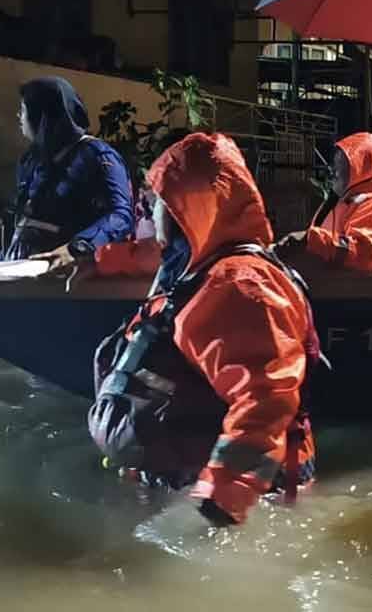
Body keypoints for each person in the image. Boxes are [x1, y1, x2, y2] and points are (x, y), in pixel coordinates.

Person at [81, 133, 320, 527]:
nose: (149, 210)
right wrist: (98, 259)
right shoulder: (197, 266)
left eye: (157, 201)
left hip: (233, 503)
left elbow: (266, 400)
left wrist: (221, 502)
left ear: (183, 210)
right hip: (180, 484)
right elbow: (151, 255)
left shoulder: (238, 286)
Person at [1, 76, 134, 267]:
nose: (18, 117)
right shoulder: (31, 160)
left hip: (71, 279)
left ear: (43, 118)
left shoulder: (97, 156)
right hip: (23, 274)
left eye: (23, 110)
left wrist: (76, 248)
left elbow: (120, 216)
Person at [275, 132, 372, 273]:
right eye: (335, 165)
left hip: (349, 291)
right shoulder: (340, 201)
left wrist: (310, 240)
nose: (335, 172)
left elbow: (363, 255)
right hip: (326, 284)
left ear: (361, 170)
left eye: (343, 166)